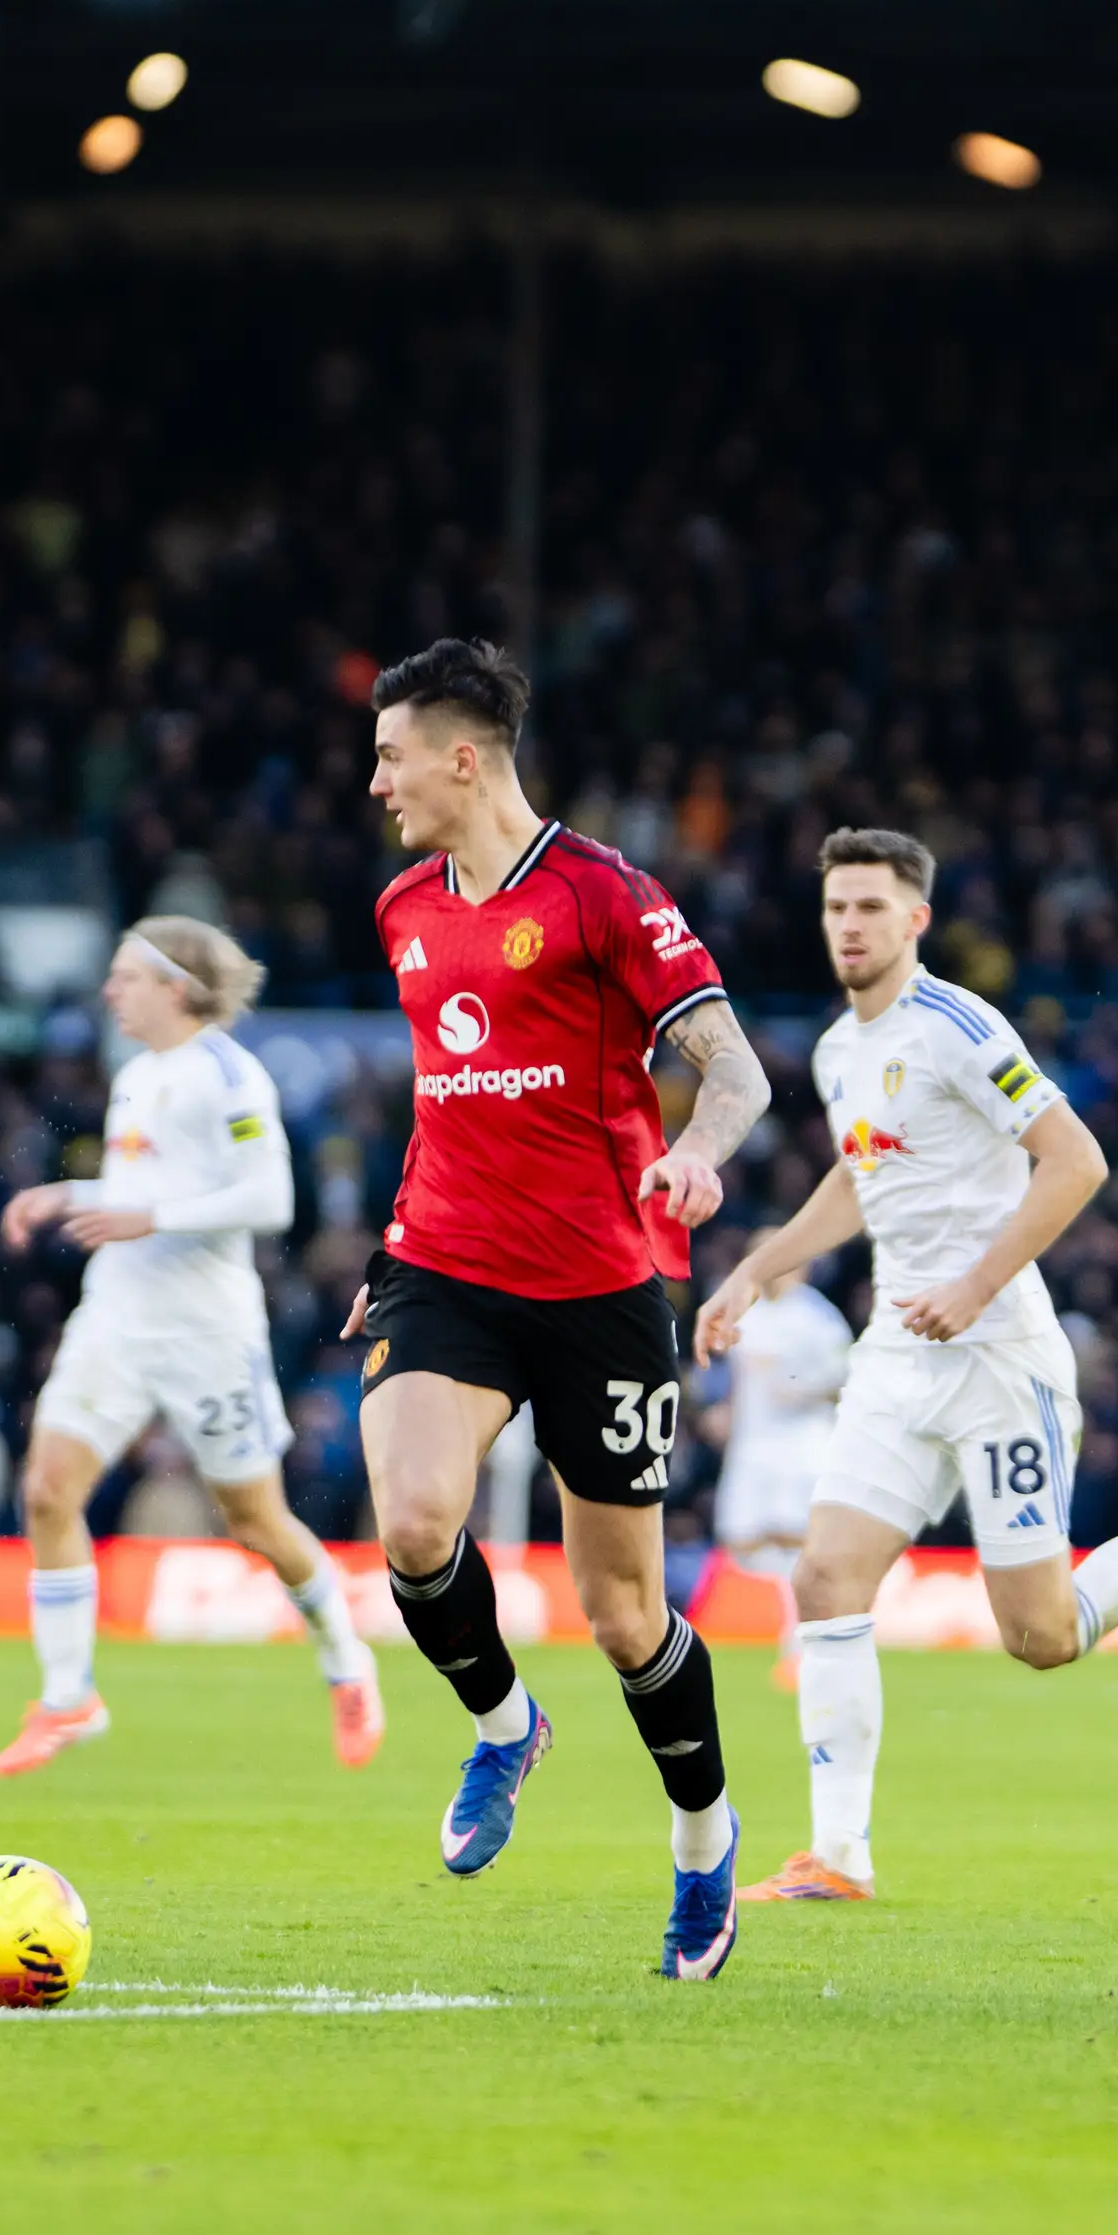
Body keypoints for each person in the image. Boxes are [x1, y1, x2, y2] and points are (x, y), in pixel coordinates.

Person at [693, 829, 1118, 1902]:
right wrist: (759, 1270)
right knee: (824, 1575)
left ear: (915, 920)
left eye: (869, 907)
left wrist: (977, 1284)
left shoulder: (957, 1025)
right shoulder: (836, 1052)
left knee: (1040, 1636)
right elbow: (863, 1180)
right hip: (899, 1350)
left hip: (998, 1355)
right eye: (835, 907)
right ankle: (838, 1855)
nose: (848, 924)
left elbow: (1077, 1159)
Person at [348, 636, 772, 1978]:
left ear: (461, 758)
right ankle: (503, 1724)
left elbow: (739, 1068)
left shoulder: (604, 896)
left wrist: (698, 1150)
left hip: (602, 1283)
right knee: (413, 1521)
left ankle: (705, 1839)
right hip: (446, 1264)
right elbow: (446, 1088)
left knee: (625, 1613)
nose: (377, 784)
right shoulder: (404, 908)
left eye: (391, 754)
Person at [0, 918, 381, 1776]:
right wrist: (68, 1192)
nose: (109, 991)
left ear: (176, 986)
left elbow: (271, 1196)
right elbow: (145, 1188)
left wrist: (147, 1217)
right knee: (49, 1489)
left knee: (256, 1521)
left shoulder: (229, 1075)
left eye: (125, 976)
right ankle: (69, 1698)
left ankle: (347, 1661)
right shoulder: (136, 1075)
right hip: (116, 1321)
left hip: (207, 1333)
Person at [705, 1249, 854, 1687]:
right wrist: (727, 1413)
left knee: (799, 1542)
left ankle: (803, 1640)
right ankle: (803, 1626)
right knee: (742, 1542)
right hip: (752, 1450)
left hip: (801, 1448)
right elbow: (741, 1379)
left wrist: (799, 1388)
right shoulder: (750, 1315)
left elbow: (841, 1380)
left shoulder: (819, 1318)